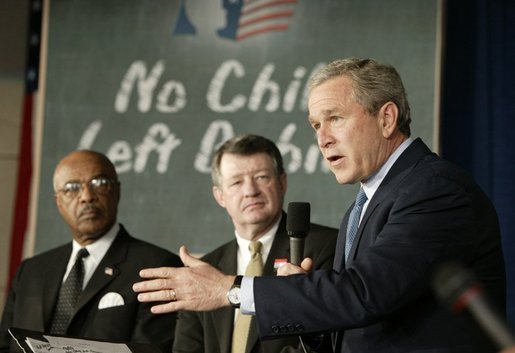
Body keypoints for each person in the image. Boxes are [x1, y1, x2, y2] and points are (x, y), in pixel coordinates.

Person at [133, 58, 507, 353]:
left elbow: (365, 293)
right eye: (315, 125)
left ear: (387, 118)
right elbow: (357, 321)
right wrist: (311, 316)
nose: (322, 139)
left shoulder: (435, 190)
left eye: (335, 119)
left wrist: (230, 290)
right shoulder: (362, 206)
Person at [0, 150, 182, 353]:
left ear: (117, 191)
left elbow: (152, 349)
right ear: (58, 201)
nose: (86, 197)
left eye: (99, 184)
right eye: (72, 188)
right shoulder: (30, 271)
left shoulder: (157, 267)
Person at [172, 134, 338, 353]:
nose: (250, 191)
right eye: (236, 182)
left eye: (261, 177)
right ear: (220, 196)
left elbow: (325, 342)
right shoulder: (206, 270)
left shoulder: (326, 246)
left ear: (282, 183)